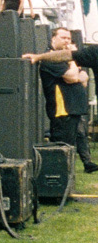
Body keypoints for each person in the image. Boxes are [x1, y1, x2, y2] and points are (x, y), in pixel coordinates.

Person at [23, 27, 98, 171]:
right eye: (63, 38)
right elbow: (73, 77)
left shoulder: (68, 60)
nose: (67, 41)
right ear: (53, 39)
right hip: (62, 110)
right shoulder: (51, 59)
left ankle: (85, 164)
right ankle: (59, 176)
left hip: (75, 107)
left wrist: (74, 67)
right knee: (63, 145)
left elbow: (84, 78)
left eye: (69, 38)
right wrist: (73, 62)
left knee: (80, 138)